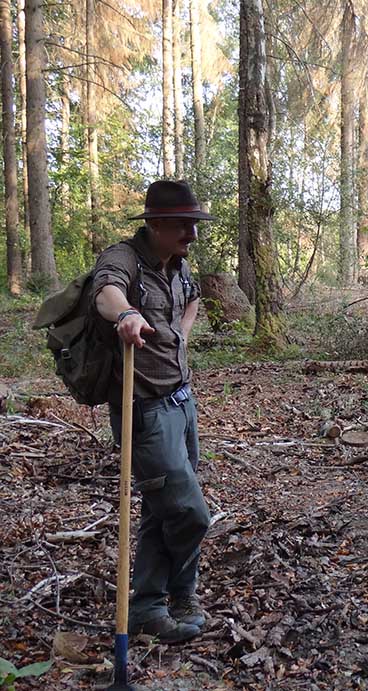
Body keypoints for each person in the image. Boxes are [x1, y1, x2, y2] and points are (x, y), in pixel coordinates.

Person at [93, 180, 215, 642]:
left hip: (183, 403)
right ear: (157, 223)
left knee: (162, 509)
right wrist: (126, 315)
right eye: (184, 225)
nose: (192, 234)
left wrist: (179, 333)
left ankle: (170, 599)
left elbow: (194, 295)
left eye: (194, 224)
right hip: (144, 409)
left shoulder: (178, 265)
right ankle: (154, 600)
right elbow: (107, 292)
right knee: (189, 513)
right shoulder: (123, 258)